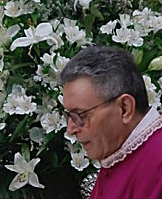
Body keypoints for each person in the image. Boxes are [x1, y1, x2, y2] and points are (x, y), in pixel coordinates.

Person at [60, 45, 162, 198]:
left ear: (124, 108)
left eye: (80, 115)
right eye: (69, 116)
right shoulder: (117, 153)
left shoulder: (157, 161)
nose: (71, 129)